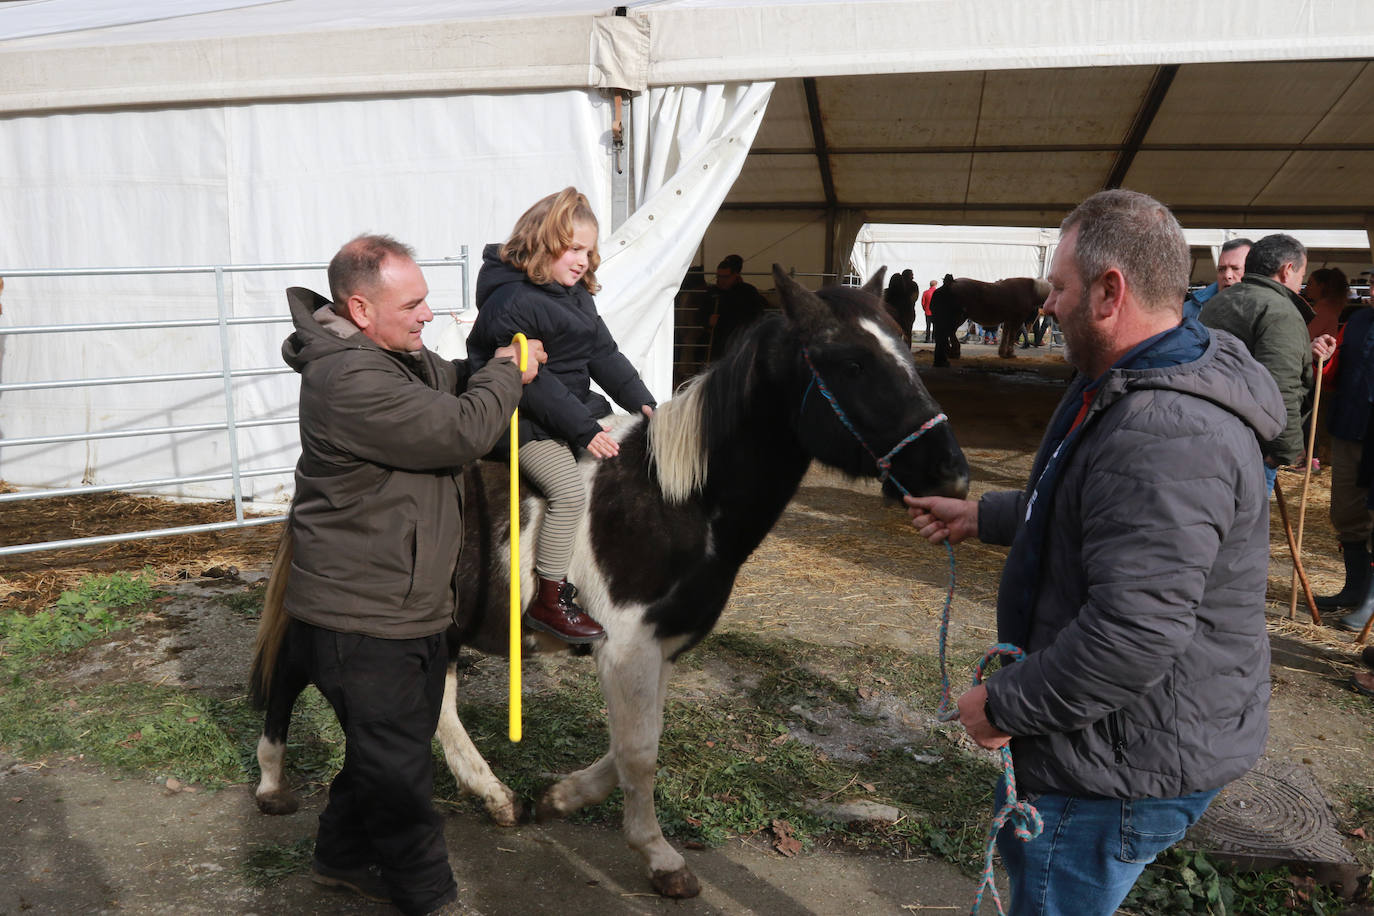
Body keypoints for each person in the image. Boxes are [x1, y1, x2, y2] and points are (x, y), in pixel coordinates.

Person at [905, 189, 1285, 916]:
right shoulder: (1135, 382)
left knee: (1054, 890)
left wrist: (1004, 705)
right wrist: (982, 515)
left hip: (1115, 758)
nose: (1046, 304)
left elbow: (1135, 631)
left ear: (1110, 292)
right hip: (1115, 733)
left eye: (1059, 288)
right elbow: (1091, 508)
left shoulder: (1167, 431)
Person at [282, 234, 540, 915]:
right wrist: (507, 376)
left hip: (411, 603)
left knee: (383, 749)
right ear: (360, 308)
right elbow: (460, 430)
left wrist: (495, 362)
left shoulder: (391, 358)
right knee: (399, 771)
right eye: (415, 303)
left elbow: (447, 380)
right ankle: (432, 898)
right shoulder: (348, 379)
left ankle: (339, 858)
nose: (429, 315)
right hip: (363, 616)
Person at [466, 187, 656, 643]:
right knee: (569, 493)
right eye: (572, 249)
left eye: (588, 252)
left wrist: (643, 402)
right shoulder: (510, 302)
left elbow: (603, 354)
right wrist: (584, 429)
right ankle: (551, 600)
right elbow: (533, 382)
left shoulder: (575, 295)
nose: (582, 261)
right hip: (524, 420)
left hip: (565, 411)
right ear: (539, 244)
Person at [1199, 233, 1336, 491]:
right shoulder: (1280, 312)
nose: (1301, 284)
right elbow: (1279, 390)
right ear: (1287, 271)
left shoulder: (1218, 302)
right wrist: (1289, 451)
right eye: (1301, 275)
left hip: (1209, 434)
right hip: (1251, 446)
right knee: (1245, 525)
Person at [1319, 294, 1374, 624]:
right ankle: (1354, 589)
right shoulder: (1355, 322)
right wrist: (1322, 358)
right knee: (1346, 511)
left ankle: (1370, 603)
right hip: (1350, 428)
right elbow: (1332, 373)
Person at [702, 253, 769, 359]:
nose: (722, 280)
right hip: (718, 344)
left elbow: (758, 316)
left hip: (742, 342)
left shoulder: (748, 292)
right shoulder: (712, 293)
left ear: (735, 275)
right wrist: (708, 321)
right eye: (719, 276)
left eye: (726, 277)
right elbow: (701, 314)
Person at [1183, 237, 1251, 321]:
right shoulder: (1191, 310)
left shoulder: (1267, 307)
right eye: (1221, 269)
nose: (1227, 275)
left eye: (1235, 268)